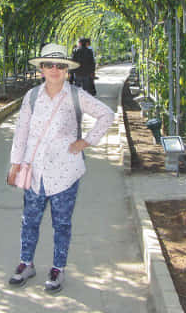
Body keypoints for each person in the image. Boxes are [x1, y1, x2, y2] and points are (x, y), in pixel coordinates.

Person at [7, 43, 114, 293]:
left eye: (60, 65)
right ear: (41, 69)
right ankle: (26, 263)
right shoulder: (32, 97)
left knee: (62, 223)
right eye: (48, 65)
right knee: (29, 219)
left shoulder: (76, 95)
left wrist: (86, 141)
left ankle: (57, 268)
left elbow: (106, 114)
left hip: (66, 172)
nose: (54, 69)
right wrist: (15, 163)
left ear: (67, 70)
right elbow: (21, 131)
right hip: (34, 171)